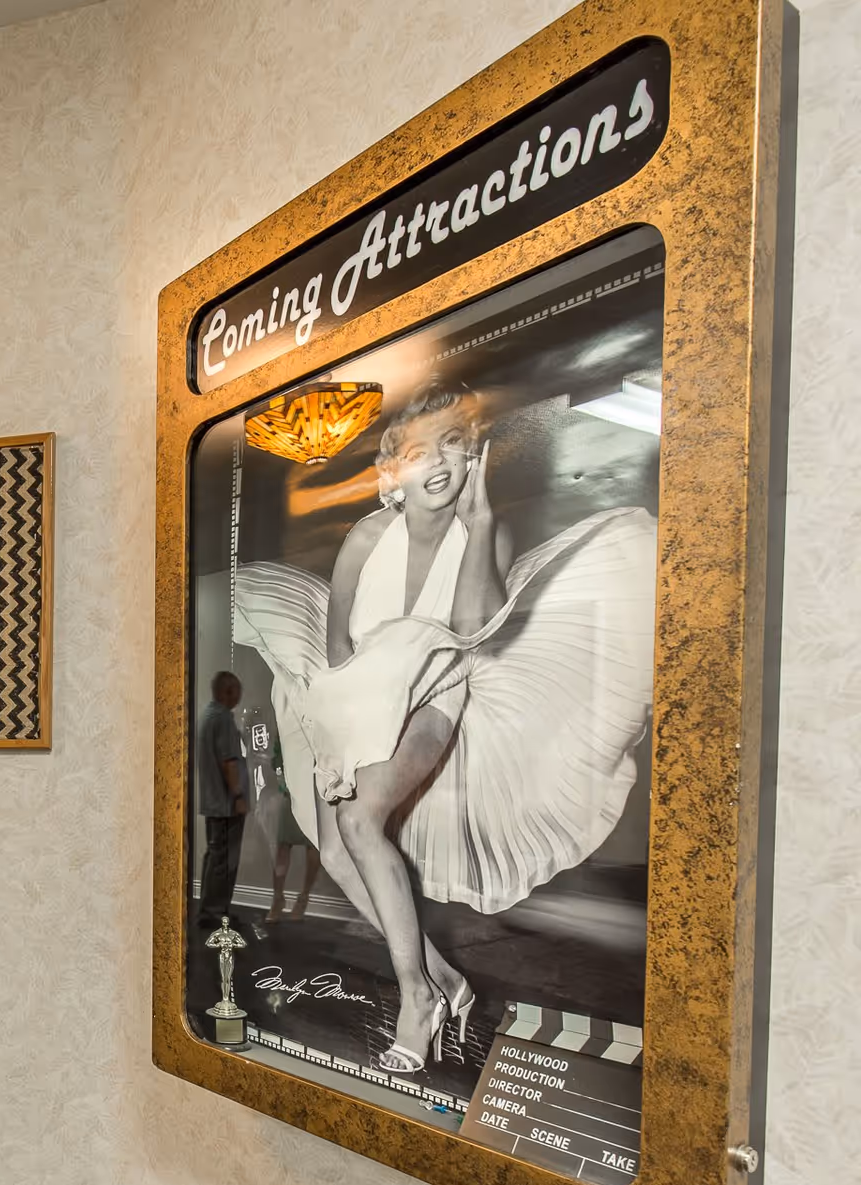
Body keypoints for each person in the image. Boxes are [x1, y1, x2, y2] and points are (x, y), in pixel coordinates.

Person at [231, 380, 656, 1074]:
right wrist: (345, 741)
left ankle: (414, 1000)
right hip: (355, 695)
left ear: (474, 455)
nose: (438, 466)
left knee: (363, 826)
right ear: (392, 470)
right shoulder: (367, 536)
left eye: (454, 447)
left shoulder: (482, 531)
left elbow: (474, 631)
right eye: (420, 452)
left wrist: (484, 523)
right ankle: (445, 982)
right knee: (338, 853)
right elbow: (339, 648)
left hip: (440, 693)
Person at [193, 671, 247, 931]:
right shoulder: (223, 718)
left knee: (214, 857)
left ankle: (211, 910)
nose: (239, 696)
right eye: (237, 691)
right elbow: (229, 762)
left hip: (213, 802)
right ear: (228, 691)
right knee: (224, 860)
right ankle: (215, 912)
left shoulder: (207, 715)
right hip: (225, 805)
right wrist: (238, 796)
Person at [264, 741, 319, 924]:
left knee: (313, 845)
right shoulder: (287, 715)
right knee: (282, 845)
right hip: (292, 789)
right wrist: (282, 780)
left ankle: (303, 898)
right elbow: (277, 756)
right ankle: (277, 898)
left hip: (316, 789)